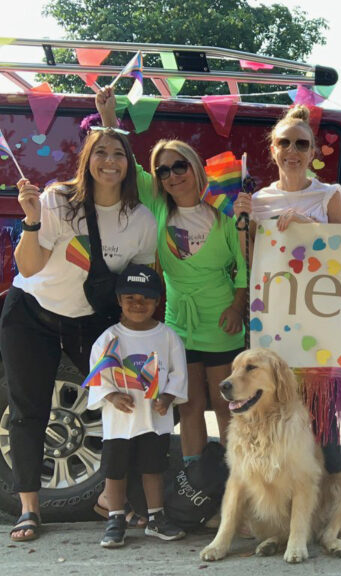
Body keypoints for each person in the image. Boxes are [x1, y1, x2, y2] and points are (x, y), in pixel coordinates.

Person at [0, 128, 157, 542]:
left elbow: (136, 283)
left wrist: (141, 340)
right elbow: (29, 268)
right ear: (87, 159)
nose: (109, 160)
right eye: (100, 152)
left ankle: (113, 497)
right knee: (27, 409)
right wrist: (32, 220)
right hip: (31, 313)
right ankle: (29, 509)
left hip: (89, 320)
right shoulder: (57, 200)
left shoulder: (140, 219)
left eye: (118, 153)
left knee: (120, 399)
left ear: (129, 163)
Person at [96, 87, 248, 467]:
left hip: (220, 319)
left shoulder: (223, 212)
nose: (171, 175)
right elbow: (124, 162)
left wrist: (238, 303)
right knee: (189, 405)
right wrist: (109, 120)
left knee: (226, 404)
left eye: (179, 166)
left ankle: (236, 488)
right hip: (178, 321)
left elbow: (246, 263)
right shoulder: (156, 206)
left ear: (195, 168)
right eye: (163, 170)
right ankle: (196, 484)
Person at [233, 105, 341, 474]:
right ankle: (283, 490)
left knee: (320, 407)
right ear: (273, 150)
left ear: (313, 152)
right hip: (274, 316)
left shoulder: (328, 194)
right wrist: (242, 224)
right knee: (278, 404)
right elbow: (249, 261)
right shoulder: (260, 201)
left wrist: (309, 229)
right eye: (285, 143)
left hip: (321, 316)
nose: (293, 151)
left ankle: (323, 493)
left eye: (302, 144)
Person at [88, 264, 187, 548]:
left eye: (146, 298)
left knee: (153, 468)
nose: (138, 304)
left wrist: (167, 397)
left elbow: (179, 374)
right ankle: (115, 518)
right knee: (115, 471)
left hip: (154, 421)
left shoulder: (167, 336)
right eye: (130, 297)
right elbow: (98, 377)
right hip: (119, 422)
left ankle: (156, 518)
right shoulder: (109, 338)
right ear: (119, 300)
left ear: (158, 301)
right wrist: (112, 397)